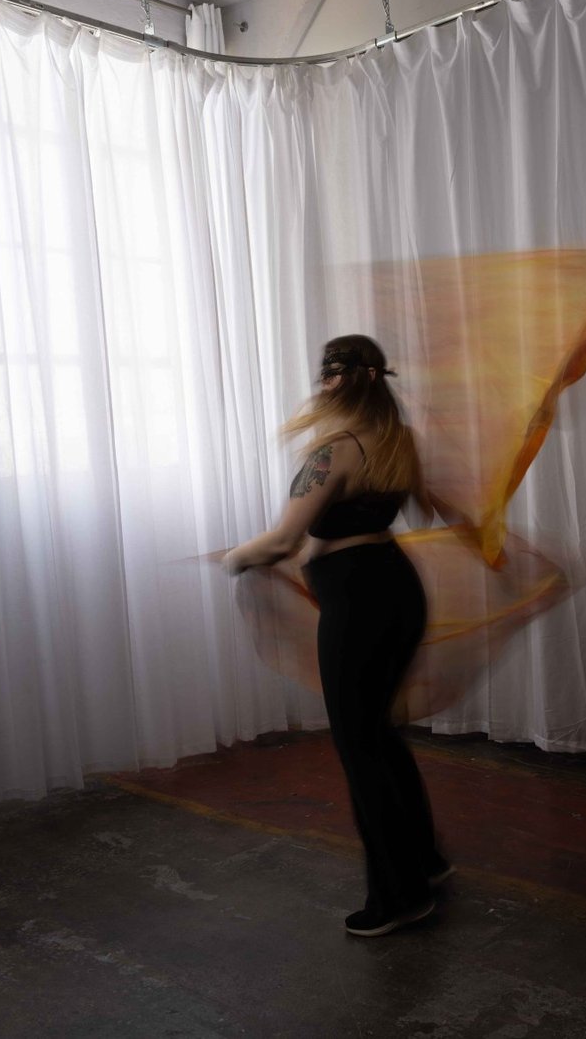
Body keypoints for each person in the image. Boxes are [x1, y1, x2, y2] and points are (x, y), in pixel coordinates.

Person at [223, 335, 453, 937]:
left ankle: (400, 898)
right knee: (378, 733)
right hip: (396, 589)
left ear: (334, 381)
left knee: (359, 746)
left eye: (324, 376)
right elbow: (429, 507)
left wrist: (234, 557)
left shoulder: (335, 450)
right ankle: (425, 862)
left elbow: (283, 540)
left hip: (358, 603)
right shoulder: (396, 440)